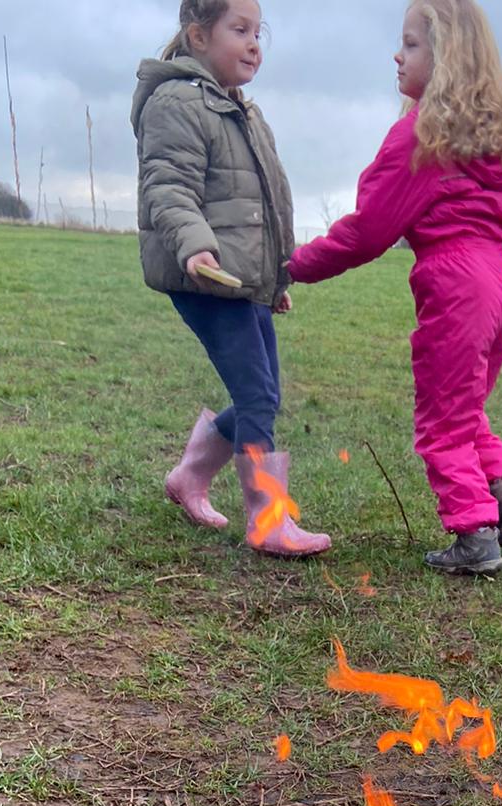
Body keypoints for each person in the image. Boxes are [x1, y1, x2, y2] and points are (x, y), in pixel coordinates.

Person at [286, 0, 502, 578]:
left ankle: (475, 533)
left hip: (454, 287)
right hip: (500, 293)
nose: (397, 56)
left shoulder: (420, 141)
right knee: (464, 406)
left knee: (441, 420)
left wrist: (297, 265)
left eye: (411, 45)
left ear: (446, 56)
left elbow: (368, 231)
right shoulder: (499, 145)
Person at [131, 0, 330, 556]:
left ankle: (188, 478)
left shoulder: (241, 109)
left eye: (257, 32)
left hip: (242, 280)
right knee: (257, 394)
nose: (253, 44)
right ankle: (268, 521)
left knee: (261, 395)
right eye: (238, 30)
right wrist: (195, 245)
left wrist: (276, 279)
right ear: (197, 36)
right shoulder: (175, 103)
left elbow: (262, 205)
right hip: (206, 277)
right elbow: (168, 186)